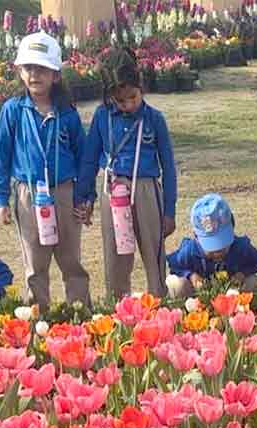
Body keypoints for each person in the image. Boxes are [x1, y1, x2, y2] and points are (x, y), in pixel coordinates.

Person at [0, 32, 90, 309]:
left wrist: (85, 196)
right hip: (28, 193)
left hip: (64, 192)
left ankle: (80, 313)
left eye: (42, 68)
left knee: (71, 259)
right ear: (19, 71)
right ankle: (40, 319)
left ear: (56, 74)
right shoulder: (13, 111)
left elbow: (83, 158)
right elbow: (1, 156)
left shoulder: (67, 113)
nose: (35, 74)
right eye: (29, 68)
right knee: (35, 263)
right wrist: (1, 200)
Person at [76, 47, 178, 300]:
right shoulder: (102, 117)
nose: (129, 105)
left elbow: (168, 167)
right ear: (109, 96)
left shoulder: (155, 119)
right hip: (114, 191)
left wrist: (169, 211)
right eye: (121, 101)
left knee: (153, 254)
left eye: (133, 97)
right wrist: (83, 198)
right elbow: (89, 161)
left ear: (140, 87)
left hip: (146, 190)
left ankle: (159, 306)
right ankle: (119, 308)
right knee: (116, 256)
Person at [167, 194, 257, 297]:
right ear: (197, 238)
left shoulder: (240, 246)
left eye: (223, 243)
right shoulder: (191, 250)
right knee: (178, 285)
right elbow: (174, 264)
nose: (217, 252)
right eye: (211, 246)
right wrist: (191, 275)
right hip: (199, 296)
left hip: (233, 293)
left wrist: (242, 274)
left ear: (232, 229)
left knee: (254, 283)